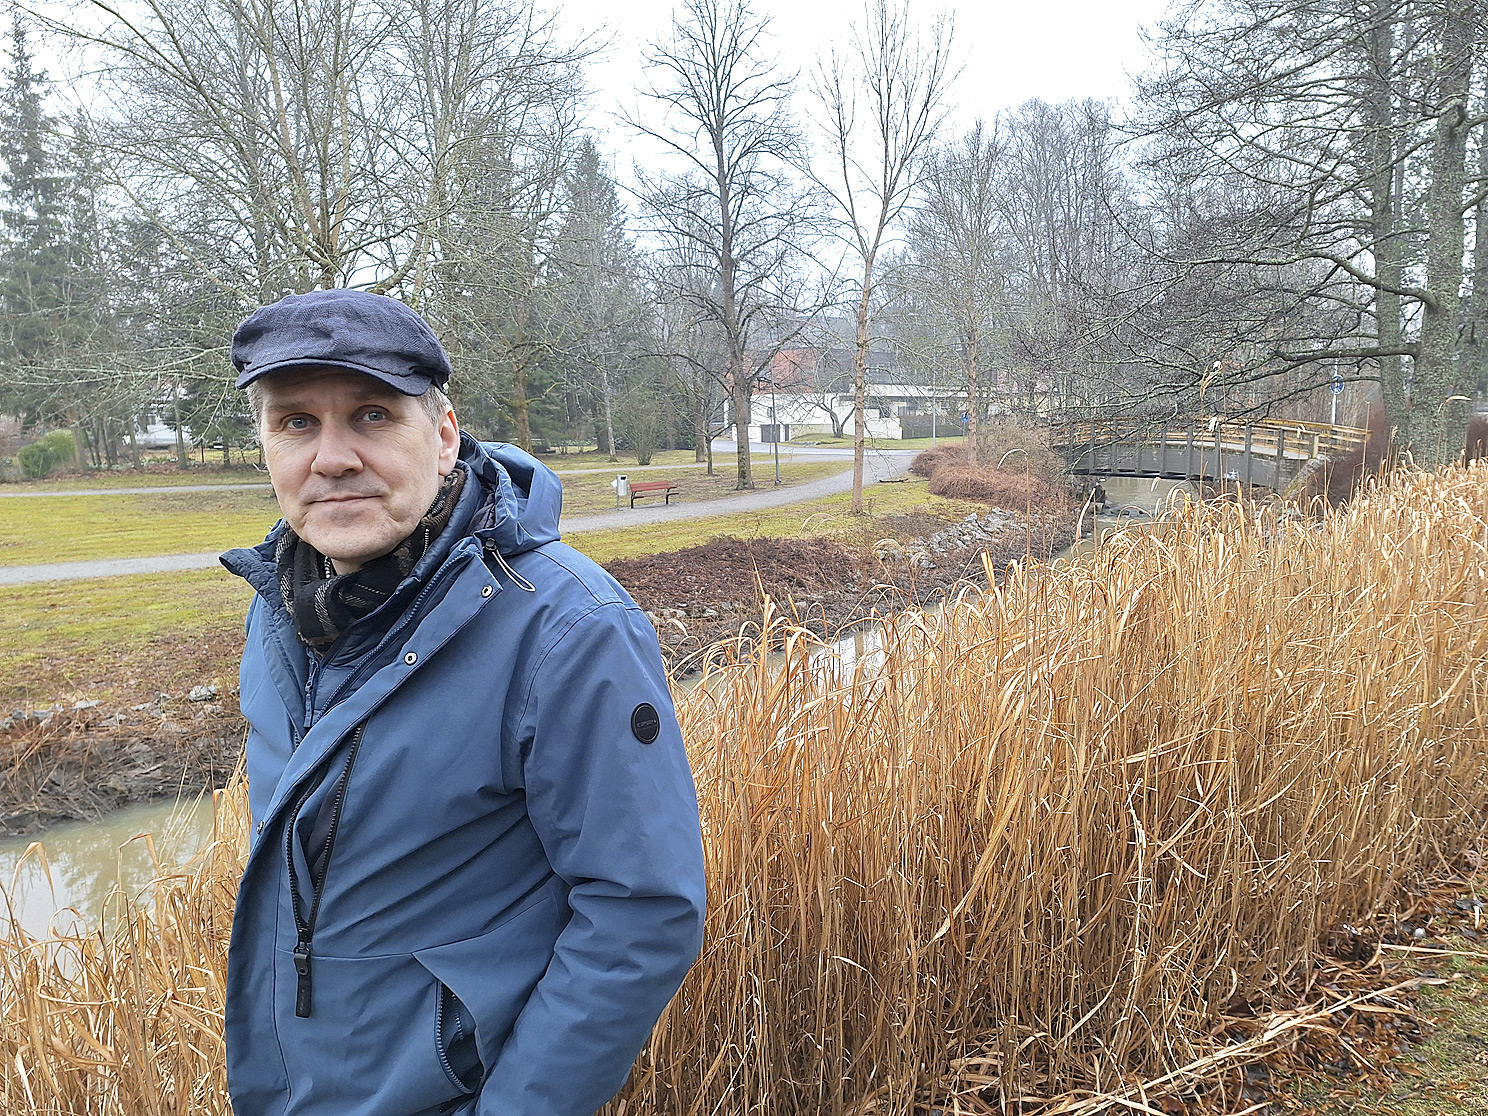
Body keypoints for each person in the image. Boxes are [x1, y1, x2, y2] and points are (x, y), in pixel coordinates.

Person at [219, 288, 707, 1116]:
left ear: (444, 436)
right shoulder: (278, 607)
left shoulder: (568, 627)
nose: (330, 457)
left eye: (372, 416)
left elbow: (643, 912)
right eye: (295, 422)